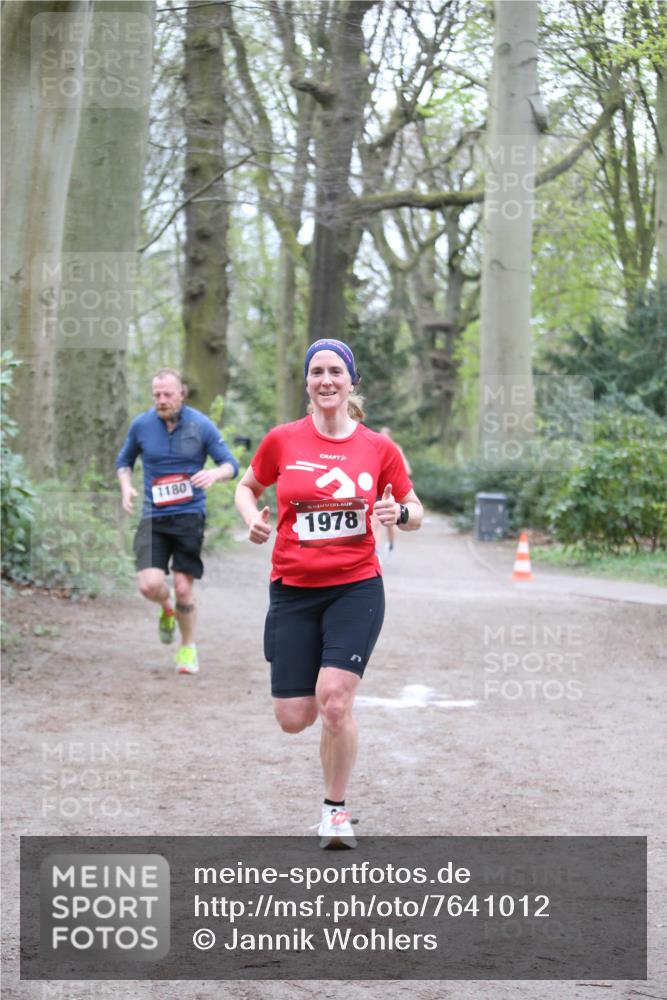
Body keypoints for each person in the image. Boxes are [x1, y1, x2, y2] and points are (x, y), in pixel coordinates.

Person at [235, 339, 423, 847]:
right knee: (294, 718)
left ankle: (334, 812)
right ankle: (322, 714)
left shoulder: (377, 449)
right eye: (316, 371)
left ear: (351, 382)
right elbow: (247, 486)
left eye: (335, 372)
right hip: (293, 589)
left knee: (335, 703)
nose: (326, 380)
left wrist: (398, 515)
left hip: (356, 587)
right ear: (307, 382)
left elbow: (415, 510)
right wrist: (253, 520)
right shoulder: (282, 441)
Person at [116, 368, 238, 675]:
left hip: (188, 516)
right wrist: (126, 487)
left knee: (185, 588)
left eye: (168, 394)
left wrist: (214, 473)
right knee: (149, 585)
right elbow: (124, 463)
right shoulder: (142, 425)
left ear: (181, 393)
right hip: (154, 517)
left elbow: (230, 464)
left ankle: (187, 647)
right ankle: (165, 606)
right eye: (157, 394)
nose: (162, 400)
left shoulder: (201, 425)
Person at [374, 427, 412, 562]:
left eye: (385, 435)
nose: (383, 437)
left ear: (390, 437)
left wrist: (395, 475)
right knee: (376, 522)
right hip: (378, 489)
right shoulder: (376, 446)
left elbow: (407, 470)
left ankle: (390, 544)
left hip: (392, 490)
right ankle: (376, 552)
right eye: (381, 434)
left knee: (390, 523)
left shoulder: (396, 448)